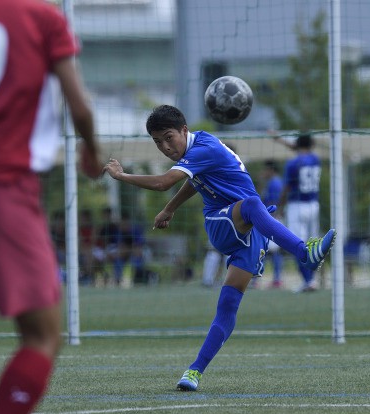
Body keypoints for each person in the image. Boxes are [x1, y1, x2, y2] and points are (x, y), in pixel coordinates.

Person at [103, 105, 335, 392]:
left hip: (250, 232)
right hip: (222, 223)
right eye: (157, 142)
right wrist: (168, 208)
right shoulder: (199, 148)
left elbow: (168, 182)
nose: (164, 147)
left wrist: (123, 177)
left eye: (168, 137)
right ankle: (304, 253)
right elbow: (186, 182)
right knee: (253, 204)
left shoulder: (204, 148)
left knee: (227, 306)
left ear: (184, 131)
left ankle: (194, 371)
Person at [0, 0, 103, 414]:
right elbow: (79, 105)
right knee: (42, 334)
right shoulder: (42, 17)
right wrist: (91, 151)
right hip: (0, 191)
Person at [272, 132, 322, 292]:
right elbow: (301, 149)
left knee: (297, 245)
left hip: (297, 205)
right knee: (312, 245)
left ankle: (308, 281)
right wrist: (279, 139)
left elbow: (286, 188)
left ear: (297, 145)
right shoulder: (315, 160)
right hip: (313, 205)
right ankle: (313, 279)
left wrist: (279, 207)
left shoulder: (292, 163)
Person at [261, 160, 285, 288]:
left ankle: (276, 279)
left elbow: (275, 203)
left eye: (265, 170)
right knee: (270, 250)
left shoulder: (275, 183)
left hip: (272, 218)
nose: (263, 172)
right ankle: (275, 278)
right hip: (271, 218)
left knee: (272, 250)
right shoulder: (273, 182)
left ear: (271, 170)